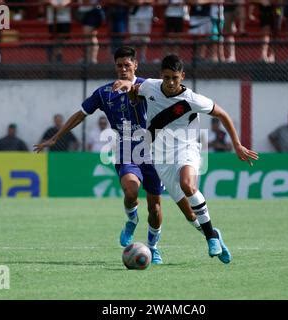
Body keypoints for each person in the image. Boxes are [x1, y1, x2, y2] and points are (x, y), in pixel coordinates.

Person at [34, 47, 204, 264]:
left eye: (127, 65)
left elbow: (175, 95)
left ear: (135, 65)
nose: (123, 69)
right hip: (127, 149)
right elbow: (80, 115)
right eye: (119, 65)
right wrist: (56, 137)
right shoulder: (104, 93)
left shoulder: (150, 85)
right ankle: (132, 219)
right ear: (115, 67)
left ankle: (153, 247)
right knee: (131, 190)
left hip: (155, 151)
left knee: (155, 206)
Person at [112, 54, 259, 264]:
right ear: (160, 76)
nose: (171, 82)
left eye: (175, 77)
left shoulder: (192, 99)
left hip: (186, 148)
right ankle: (215, 234)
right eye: (166, 77)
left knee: (188, 185)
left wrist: (237, 145)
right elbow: (135, 87)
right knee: (190, 215)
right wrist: (130, 88)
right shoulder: (151, 87)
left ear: (182, 76)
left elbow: (223, 115)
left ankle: (210, 239)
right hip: (161, 157)